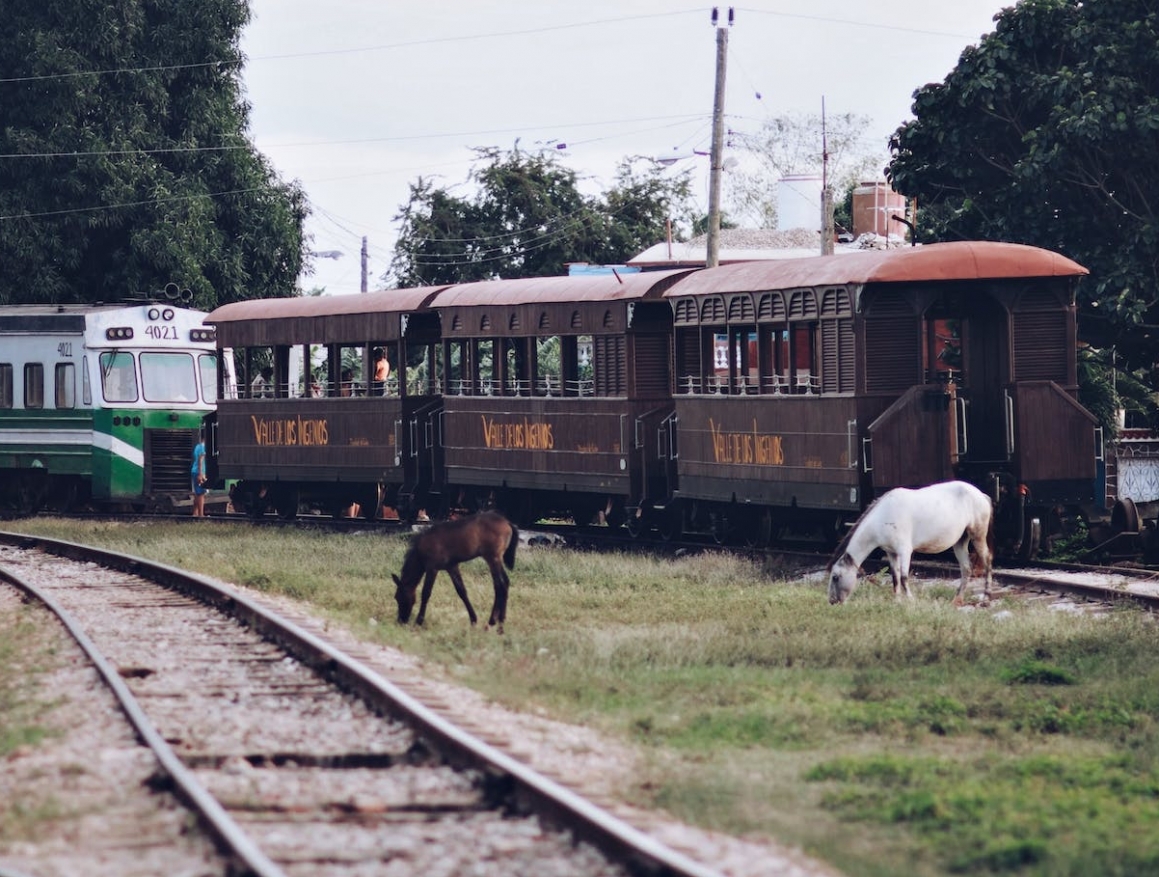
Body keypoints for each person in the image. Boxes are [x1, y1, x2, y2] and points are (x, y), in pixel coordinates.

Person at [191, 433, 207, 517]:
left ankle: (195, 513)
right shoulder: (204, 447)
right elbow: (201, 460)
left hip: (194, 471)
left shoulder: (197, 446)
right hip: (199, 471)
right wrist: (201, 474)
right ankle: (201, 515)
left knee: (197, 493)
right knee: (201, 494)